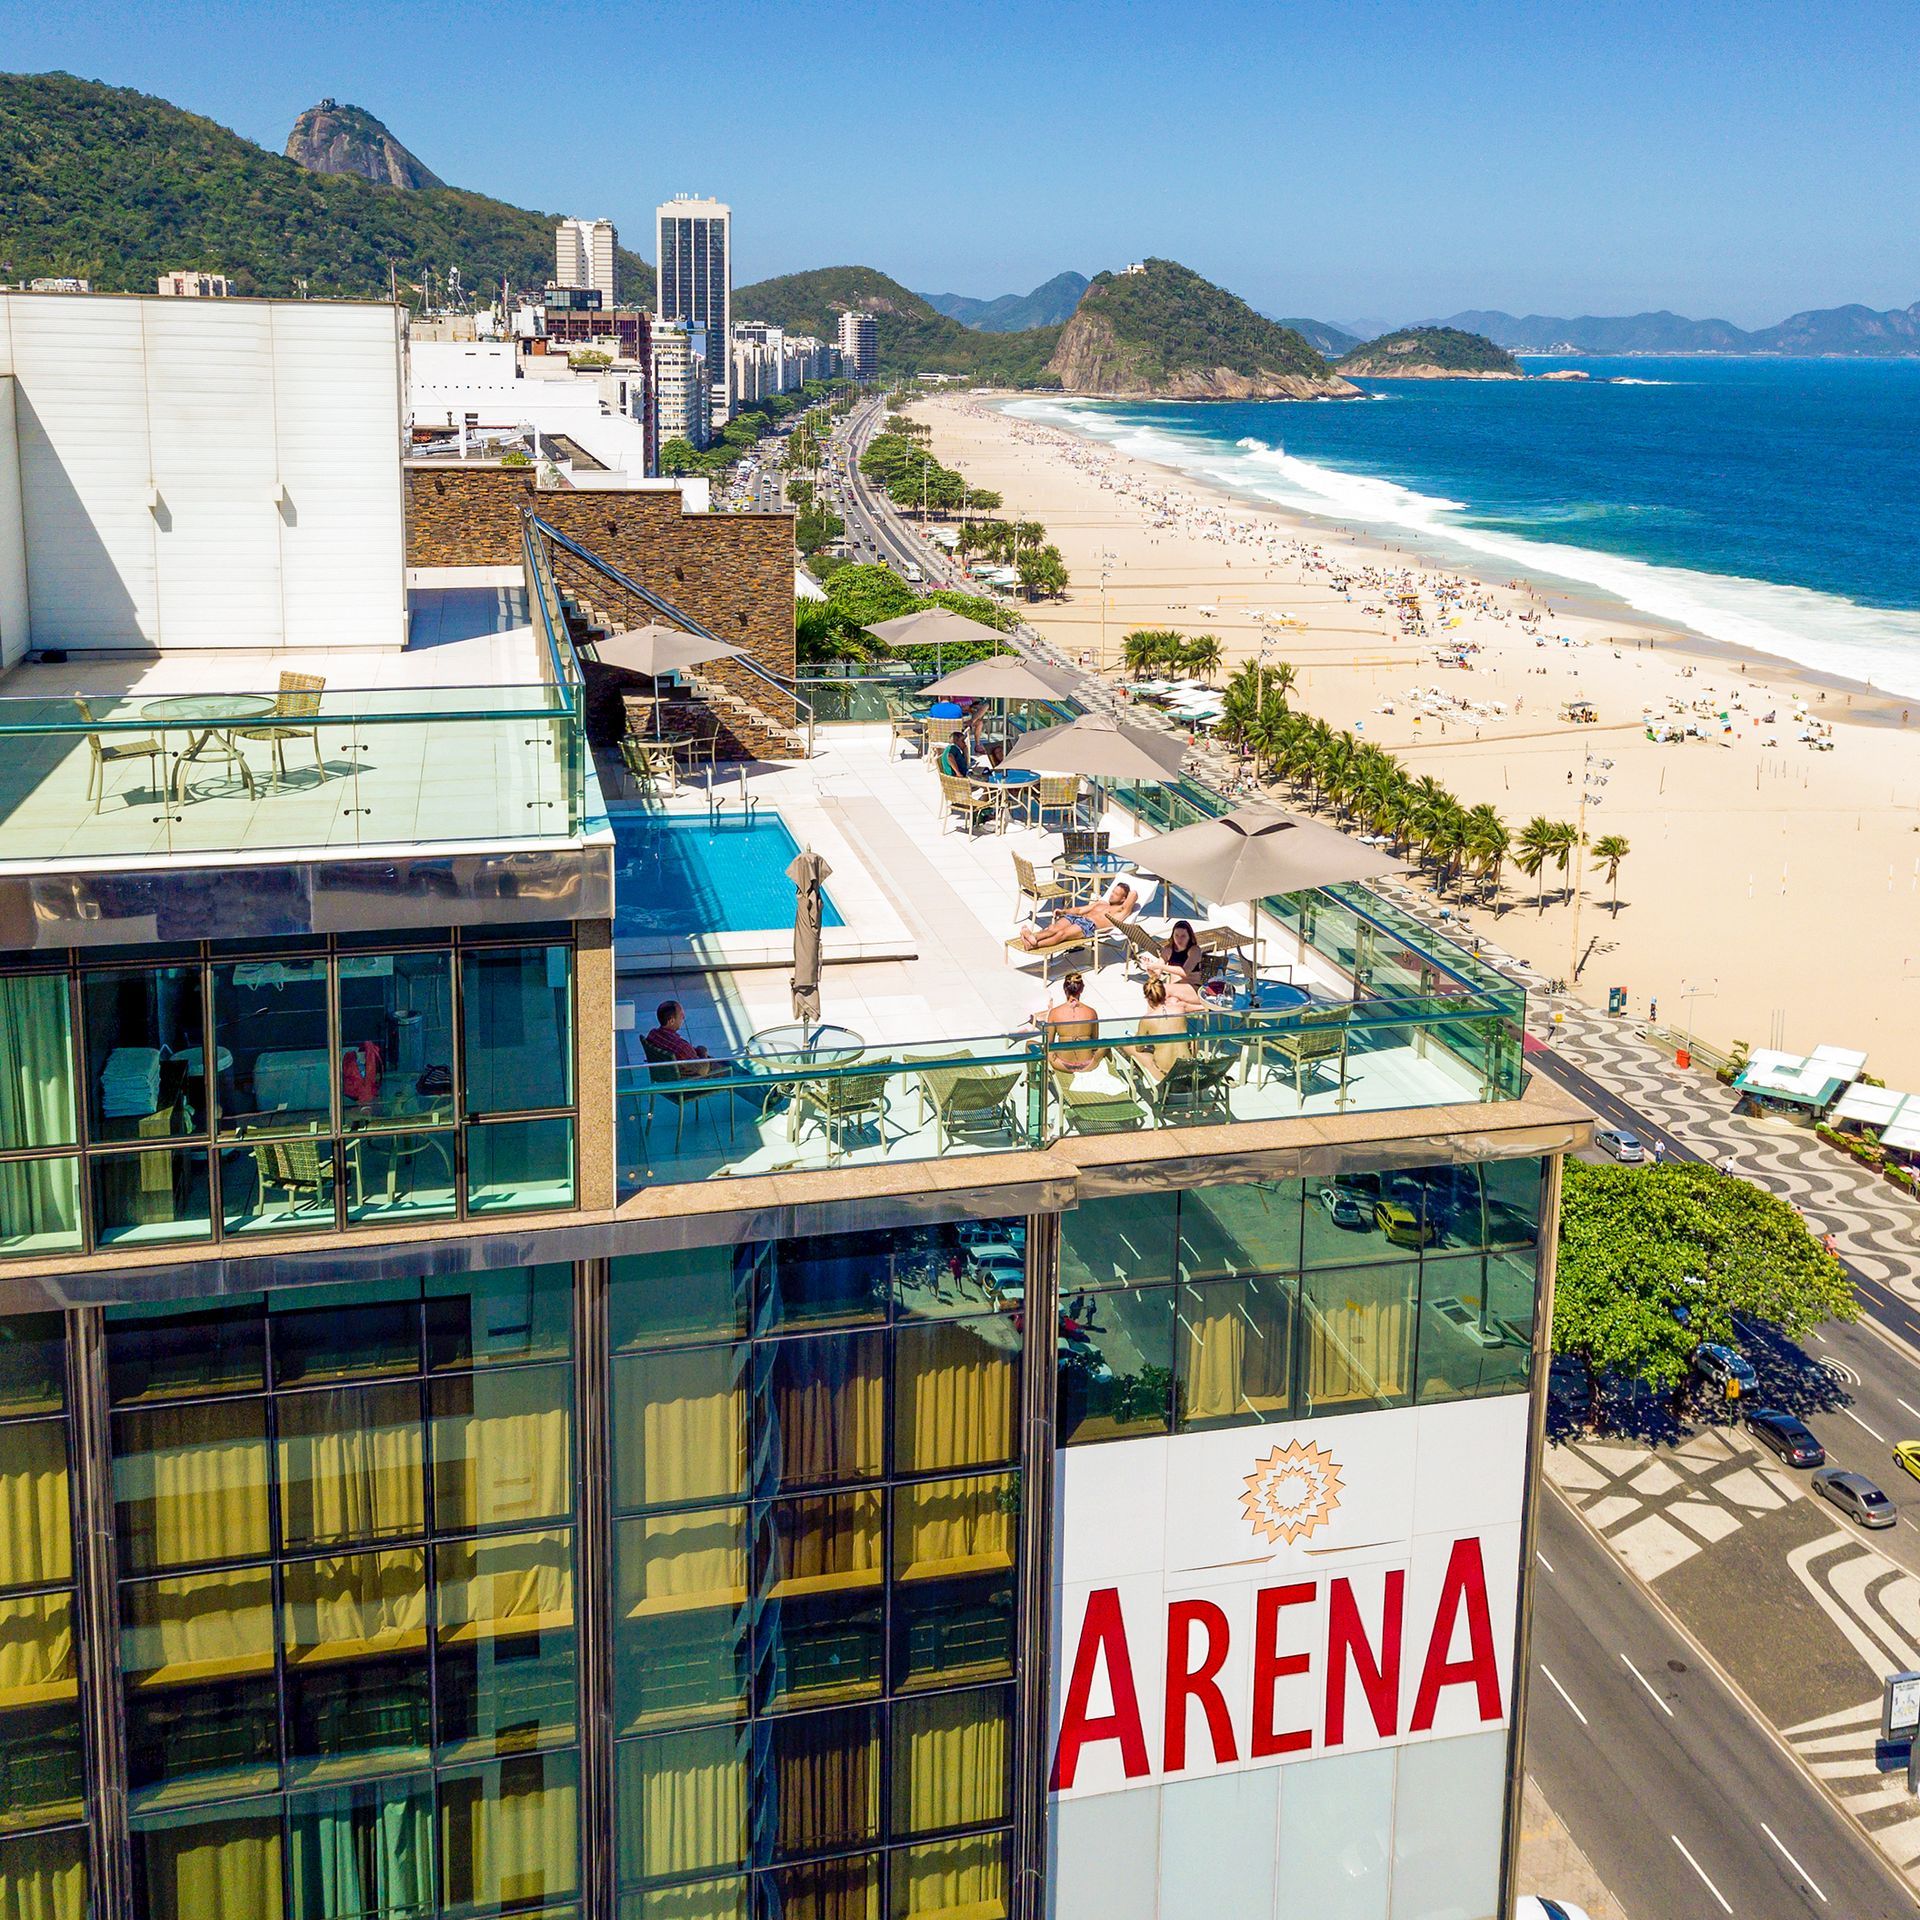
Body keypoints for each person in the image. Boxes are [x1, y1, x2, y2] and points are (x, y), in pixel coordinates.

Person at [1015, 878, 1139, 951]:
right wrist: (1064, 911)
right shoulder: (1101, 903)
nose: (1111, 894)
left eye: (1116, 894)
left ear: (1124, 899)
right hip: (1078, 917)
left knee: (1061, 934)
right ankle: (1033, 938)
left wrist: (1128, 892)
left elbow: (1134, 894)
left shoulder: (1121, 910)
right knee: (1052, 928)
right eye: (1113, 891)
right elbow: (1079, 910)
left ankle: (1034, 945)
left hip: (1088, 925)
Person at [1128, 973, 1195, 1083]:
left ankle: (1140, 1073)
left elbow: (1139, 1048)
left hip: (1165, 1073)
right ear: (1165, 995)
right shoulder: (1180, 1010)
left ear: (1148, 999)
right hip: (1186, 1069)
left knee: (1128, 1047)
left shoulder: (1147, 1020)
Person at [644, 999, 730, 1079]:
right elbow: (703, 1070)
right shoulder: (681, 1047)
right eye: (681, 1015)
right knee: (733, 1070)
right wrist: (703, 1051)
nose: (683, 1017)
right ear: (671, 1021)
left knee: (729, 1064)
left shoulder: (653, 1034)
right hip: (693, 1080)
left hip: (667, 1077)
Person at [1037, 972, 1099, 1074]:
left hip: (1062, 1064)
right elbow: (1095, 1045)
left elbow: (1048, 1044)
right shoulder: (1091, 1012)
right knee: (1106, 1045)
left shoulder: (1055, 1012)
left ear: (1064, 988)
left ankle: (1036, 1082)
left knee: (1030, 1044)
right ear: (1082, 989)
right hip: (1087, 1064)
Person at [1142, 917, 1212, 989]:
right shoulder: (1168, 950)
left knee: (1165, 991)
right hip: (1174, 987)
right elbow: (1157, 975)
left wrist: (1159, 966)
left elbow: (1184, 972)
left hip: (1192, 987)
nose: (1179, 939)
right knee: (1167, 996)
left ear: (1189, 937)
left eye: (1183, 936)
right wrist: (1149, 968)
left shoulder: (1194, 950)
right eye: (1176, 935)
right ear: (1172, 936)